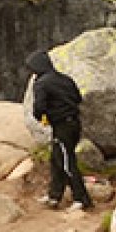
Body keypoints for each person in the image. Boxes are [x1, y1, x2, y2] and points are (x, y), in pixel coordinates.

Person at [27, 50, 92, 211]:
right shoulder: (65, 79)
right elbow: (78, 98)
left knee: (66, 162)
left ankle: (82, 199)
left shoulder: (41, 83)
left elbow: (39, 107)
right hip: (74, 124)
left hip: (61, 126)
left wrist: (43, 117)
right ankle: (54, 196)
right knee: (56, 159)